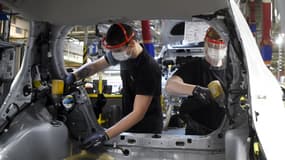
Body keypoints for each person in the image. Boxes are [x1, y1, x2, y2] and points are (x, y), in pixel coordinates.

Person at [65, 23, 163, 149]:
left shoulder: (148, 68)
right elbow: (95, 66)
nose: (114, 54)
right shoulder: (124, 54)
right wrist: (74, 76)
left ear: (132, 43)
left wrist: (105, 135)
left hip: (147, 131)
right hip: (129, 123)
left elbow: (138, 113)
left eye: (117, 51)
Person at [165, 27, 226, 135]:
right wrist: (197, 90)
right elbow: (170, 86)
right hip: (198, 133)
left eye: (220, 46)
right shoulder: (194, 67)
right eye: (213, 46)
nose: (217, 49)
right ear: (206, 44)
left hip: (225, 132)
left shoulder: (232, 70)